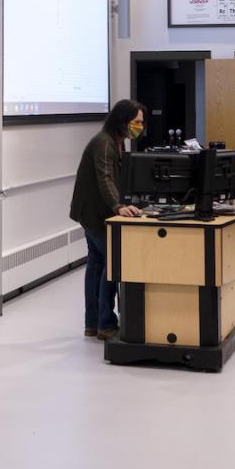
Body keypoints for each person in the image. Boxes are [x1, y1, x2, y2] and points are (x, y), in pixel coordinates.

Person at [68, 99, 145, 341]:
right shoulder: (103, 144)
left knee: (97, 266)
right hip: (96, 215)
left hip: (94, 214)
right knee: (111, 265)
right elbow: (105, 179)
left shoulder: (115, 142)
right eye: (137, 122)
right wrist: (118, 206)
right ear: (122, 121)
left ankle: (93, 324)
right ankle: (105, 324)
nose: (140, 127)